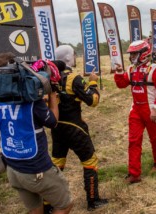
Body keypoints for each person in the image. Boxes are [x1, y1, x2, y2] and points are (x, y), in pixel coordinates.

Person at [0, 52, 73, 214]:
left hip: (13, 169)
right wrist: (52, 95)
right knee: (64, 205)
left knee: (35, 209)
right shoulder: (32, 102)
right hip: (36, 169)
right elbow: (53, 122)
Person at [50, 45, 108, 211]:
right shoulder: (73, 78)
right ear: (68, 57)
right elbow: (93, 101)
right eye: (74, 54)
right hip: (75, 128)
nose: (76, 57)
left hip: (57, 127)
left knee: (57, 164)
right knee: (90, 162)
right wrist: (93, 82)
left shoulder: (51, 78)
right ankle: (93, 200)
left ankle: (47, 203)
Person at [114, 40, 156, 184]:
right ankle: (134, 174)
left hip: (150, 108)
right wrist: (119, 73)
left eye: (134, 53)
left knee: (154, 138)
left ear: (143, 53)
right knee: (133, 141)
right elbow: (121, 84)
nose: (132, 57)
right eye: (131, 54)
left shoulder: (155, 69)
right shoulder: (131, 69)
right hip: (136, 110)